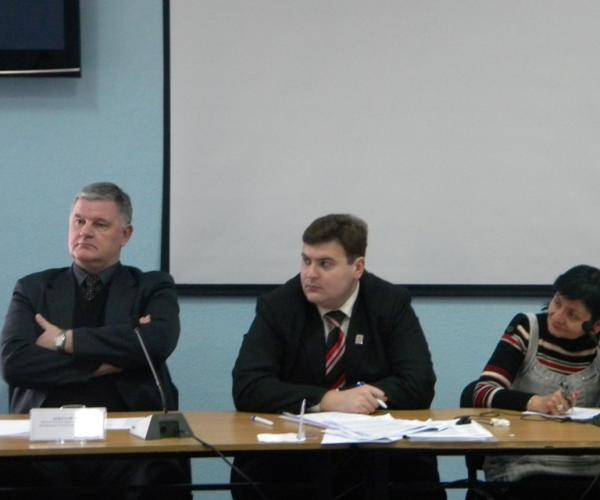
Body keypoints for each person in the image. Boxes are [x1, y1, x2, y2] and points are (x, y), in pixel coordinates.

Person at [232, 213, 444, 499]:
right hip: (296, 458)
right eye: (306, 261)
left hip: (374, 456)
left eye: (325, 264)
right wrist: (329, 400)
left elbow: (419, 382)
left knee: (410, 473)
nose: (310, 274)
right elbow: (248, 385)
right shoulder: (279, 306)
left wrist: (365, 397)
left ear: (358, 267)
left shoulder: (390, 303)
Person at [0, 182, 189, 499]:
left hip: (129, 436)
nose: (85, 232)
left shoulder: (152, 287)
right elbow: (14, 363)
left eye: (100, 224)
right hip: (46, 434)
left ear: (125, 235)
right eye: (79, 221)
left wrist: (64, 340)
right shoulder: (33, 289)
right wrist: (104, 363)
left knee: (156, 475)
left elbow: (157, 342)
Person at [473, 264, 600, 499]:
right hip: (525, 463)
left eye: (572, 315)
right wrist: (537, 403)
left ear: (596, 324)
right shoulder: (527, 329)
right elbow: (482, 392)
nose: (558, 316)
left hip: (588, 465)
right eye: (557, 303)